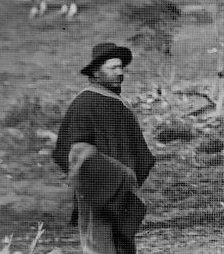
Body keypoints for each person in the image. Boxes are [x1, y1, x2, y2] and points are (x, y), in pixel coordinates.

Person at [53, 42, 155, 254]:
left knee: (123, 246)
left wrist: (129, 179)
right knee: (100, 247)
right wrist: (113, 176)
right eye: (113, 68)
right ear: (95, 72)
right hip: (97, 195)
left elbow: (137, 150)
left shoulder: (118, 104)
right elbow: (74, 152)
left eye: (121, 68)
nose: (120, 73)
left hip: (123, 194)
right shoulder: (84, 104)